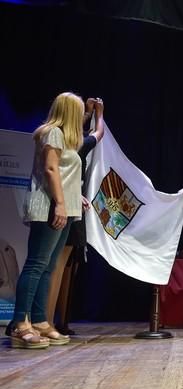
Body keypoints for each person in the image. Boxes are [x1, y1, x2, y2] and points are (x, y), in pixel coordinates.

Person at [8, 92, 87, 349]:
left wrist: (77, 196)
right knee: (36, 264)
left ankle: (41, 321)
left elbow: (64, 173)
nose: (81, 117)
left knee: (49, 266)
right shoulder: (52, 132)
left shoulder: (65, 137)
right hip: (50, 207)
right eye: (79, 111)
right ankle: (20, 324)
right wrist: (61, 203)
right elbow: (51, 169)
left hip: (64, 206)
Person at [45, 97, 105, 333]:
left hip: (69, 203)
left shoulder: (65, 140)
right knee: (55, 264)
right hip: (63, 205)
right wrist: (99, 113)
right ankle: (47, 321)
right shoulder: (70, 142)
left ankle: (53, 320)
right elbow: (98, 133)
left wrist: (89, 112)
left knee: (61, 263)